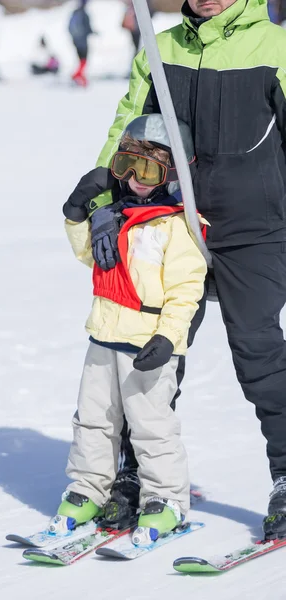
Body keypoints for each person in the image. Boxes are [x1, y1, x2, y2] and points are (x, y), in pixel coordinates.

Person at [65, 0, 286, 540]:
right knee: (146, 351)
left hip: (252, 227)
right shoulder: (161, 47)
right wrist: (105, 204)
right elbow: (128, 129)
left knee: (259, 349)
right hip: (165, 222)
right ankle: (139, 474)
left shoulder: (276, 48)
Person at [51, 114, 207, 545]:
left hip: (147, 345)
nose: (136, 179)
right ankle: (88, 487)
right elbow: (94, 259)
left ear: (172, 174)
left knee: (151, 425)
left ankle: (166, 498)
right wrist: (78, 215)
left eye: (149, 170)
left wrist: (167, 338)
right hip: (103, 336)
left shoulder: (175, 227)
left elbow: (185, 291)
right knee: (94, 421)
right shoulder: (117, 216)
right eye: (126, 166)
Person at [68, 0, 94, 87]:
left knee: (81, 60)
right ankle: (76, 75)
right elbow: (87, 27)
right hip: (82, 41)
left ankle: (81, 77)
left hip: (76, 40)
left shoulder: (75, 13)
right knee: (84, 60)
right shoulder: (83, 14)